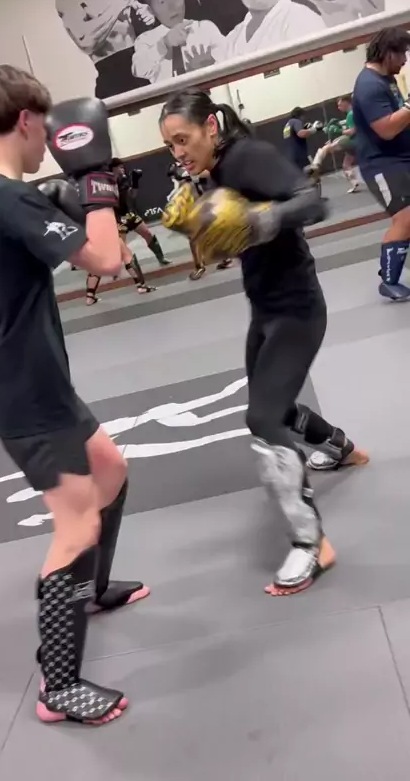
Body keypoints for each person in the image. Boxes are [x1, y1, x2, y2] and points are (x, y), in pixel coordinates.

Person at [0, 65, 149, 725]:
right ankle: (58, 686)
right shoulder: (6, 198)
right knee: (77, 525)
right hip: (26, 392)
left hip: (38, 380)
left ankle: (93, 591)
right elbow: (108, 260)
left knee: (111, 470)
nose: (50, 147)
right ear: (28, 121)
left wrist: (76, 202)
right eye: (45, 132)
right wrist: (97, 188)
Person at [159, 89, 368, 595]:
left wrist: (260, 220)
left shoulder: (246, 157)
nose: (178, 152)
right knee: (274, 405)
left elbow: (312, 201)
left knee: (263, 418)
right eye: (169, 146)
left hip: (297, 310)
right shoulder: (215, 171)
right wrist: (204, 229)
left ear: (210, 126)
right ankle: (340, 447)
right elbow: (229, 234)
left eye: (183, 140)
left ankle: (311, 543)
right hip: (266, 310)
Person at [352, 27, 410, 302]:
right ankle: (389, 281)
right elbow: (386, 129)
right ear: (388, 54)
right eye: (402, 54)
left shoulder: (386, 79)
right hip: (382, 164)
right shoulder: (369, 85)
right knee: (405, 218)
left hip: (401, 157)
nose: (405, 60)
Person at [132, 0, 225, 84]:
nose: (172, 6)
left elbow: (228, 58)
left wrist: (211, 67)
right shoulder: (146, 40)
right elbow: (139, 70)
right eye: (162, 1)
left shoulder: (205, 29)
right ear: (151, 9)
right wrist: (164, 43)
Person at [111, 158, 171, 266]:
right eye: (120, 168)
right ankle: (119, 267)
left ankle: (161, 258)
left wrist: (135, 182)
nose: (123, 169)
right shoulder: (108, 184)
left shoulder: (124, 180)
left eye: (123, 167)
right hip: (118, 217)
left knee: (147, 233)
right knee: (122, 245)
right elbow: (113, 202)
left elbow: (132, 196)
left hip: (129, 214)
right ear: (113, 169)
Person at [311, 96, 359, 193]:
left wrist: (338, 130)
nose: (339, 108)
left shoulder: (351, 114)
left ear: (346, 103)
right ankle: (354, 183)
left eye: (340, 105)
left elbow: (352, 132)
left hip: (352, 141)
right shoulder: (354, 113)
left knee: (326, 148)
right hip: (357, 142)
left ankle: (315, 166)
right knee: (346, 165)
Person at [283, 106, 322, 172]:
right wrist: (313, 129)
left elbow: (293, 136)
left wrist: (305, 129)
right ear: (301, 115)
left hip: (291, 156)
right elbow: (301, 134)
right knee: (312, 172)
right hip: (300, 155)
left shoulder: (287, 125)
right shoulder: (296, 121)